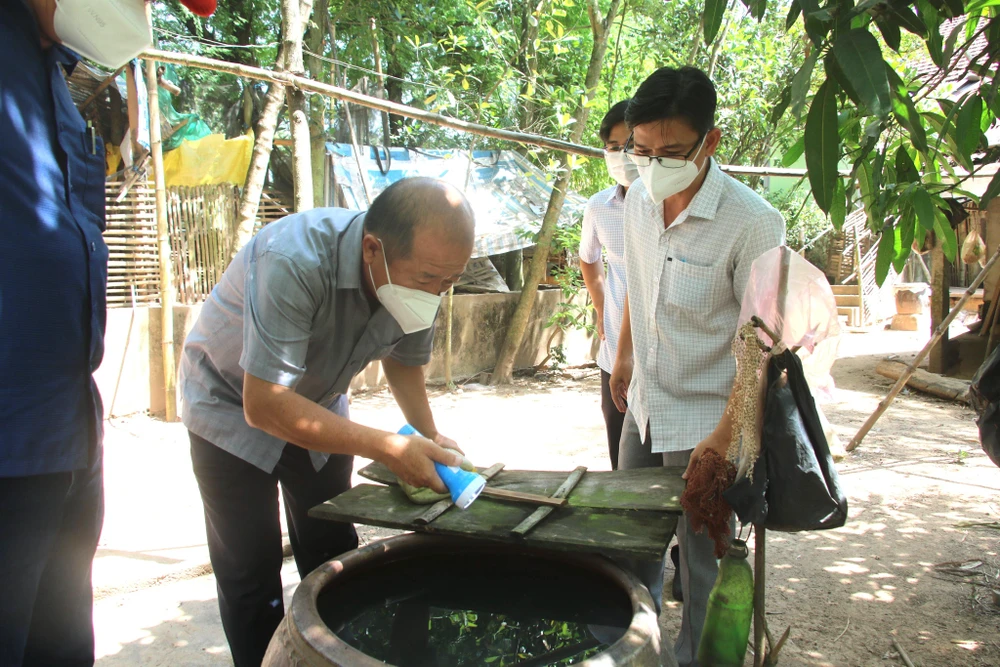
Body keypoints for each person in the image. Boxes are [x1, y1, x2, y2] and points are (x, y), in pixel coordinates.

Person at [178, 177, 475, 666]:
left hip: (318, 405)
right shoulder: (292, 260)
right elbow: (266, 404)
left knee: (332, 549)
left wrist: (428, 436)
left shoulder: (426, 277)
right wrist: (391, 448)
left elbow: (403, 362)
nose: (437, 293)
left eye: (449, 282)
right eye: (427, 279)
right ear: (373, 249)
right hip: (229, 407)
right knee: (250, 571)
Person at [0, 1, 201, 664]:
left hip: (67, 432)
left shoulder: (58, 79)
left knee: (57, 642)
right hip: (10, 441)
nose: (137, 11)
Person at [609, 66, 785, 667]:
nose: (653, 165)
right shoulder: (637, 201)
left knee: (703, 559)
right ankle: (637, 650)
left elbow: (760, 346)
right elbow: (638, 278)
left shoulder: (753, 222)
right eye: (641, 150)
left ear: (710, 142)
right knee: (628, 540)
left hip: (712, 415)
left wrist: (725, 436)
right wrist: (624, 355)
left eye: (671, 152)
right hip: (648, 404)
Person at [579, 100, 637, 471]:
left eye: (632, 145)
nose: (624, 155)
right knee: (622, 457)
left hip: (662, 356)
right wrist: (601, 308)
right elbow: (588, 258)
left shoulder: (669, 204)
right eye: (615, 147)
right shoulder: (599, 207)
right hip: (614, 347)